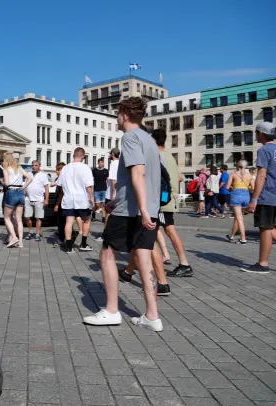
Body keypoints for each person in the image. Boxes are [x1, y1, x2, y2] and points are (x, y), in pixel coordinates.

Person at [83, 97, 163, 332]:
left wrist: (140, 209)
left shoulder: (130, 137)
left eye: (117, 114)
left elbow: (137, 173)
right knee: (144, 258)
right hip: (147, 208)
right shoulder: (149, 140)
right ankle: (152, 316)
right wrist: (117, 201)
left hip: (132, 211)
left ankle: (110, 310)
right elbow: (145, 178)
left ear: (125, 115)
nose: (116, 118)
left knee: (107, 255)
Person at [152, 128, 193, 278]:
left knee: (166, 230)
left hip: (162, 201)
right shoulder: (170, 157)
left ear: (153, 140)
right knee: (160, 229)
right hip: (170, 198)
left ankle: (184, 263)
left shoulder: (157, 156)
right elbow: (180, 177)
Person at [246, 122, 276, 274]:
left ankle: (263, 264)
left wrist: (254, 199)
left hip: (268, 195)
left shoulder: (264, 150)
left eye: (256, 133)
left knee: (265, 229)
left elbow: (262, 175)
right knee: (272, 229)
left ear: (261, 134)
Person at [57, 148, 94, 253]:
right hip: (82, 198)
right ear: (83, 156)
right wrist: (91, 197)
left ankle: (68, 247)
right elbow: (89, 185)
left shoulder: (65, 168)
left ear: (74, 155)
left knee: (69, 222)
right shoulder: (85, 168)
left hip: (68, 198)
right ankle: (83, 243)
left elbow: (60, 184)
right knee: (86, 220)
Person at [2, 152, 32, 248]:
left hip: (11, 192)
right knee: (19, 220)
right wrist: (23, 187)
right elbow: (30, 178)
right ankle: (20, 242)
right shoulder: (19, 168)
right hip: (20, 193)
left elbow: (7, 183)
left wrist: (2, 182)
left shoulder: (6, 169)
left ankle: (14, 237)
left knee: (7, 217)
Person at [226, 159, 252, 244]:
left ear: (238, 166)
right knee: (238, 218)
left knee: (239, 218)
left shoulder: (233, 174)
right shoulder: (249, 175)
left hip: (236, 195)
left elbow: (227, 187)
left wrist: (232, 188)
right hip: (246, 195)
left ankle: (243, 238)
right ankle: (232, 236)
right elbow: (253, 188)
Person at [24, 160, 49, 242]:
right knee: (27, 217)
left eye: (36, 165)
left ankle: (37, 234)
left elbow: (46, 188)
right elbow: (25, 185)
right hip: (28, 199)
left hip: (39, 199)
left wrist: (46, 199)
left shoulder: (43, 175)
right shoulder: (28, 174)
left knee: (38, 218)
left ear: (39, 166)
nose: (34, 166)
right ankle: (31, 231)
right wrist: (23, 196)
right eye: (33, 165)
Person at [92, 158, 109, 222]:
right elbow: (92, 179)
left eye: (103, 162)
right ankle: (93, 212)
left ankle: (103, 217)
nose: (102, 163)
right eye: (101, 162)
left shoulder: (106, 171)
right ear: (98, 163)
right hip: (97, 189)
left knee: (104, 204)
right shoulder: (94, 170)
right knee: (97, 205)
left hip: (104, 189)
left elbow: (107, 179)